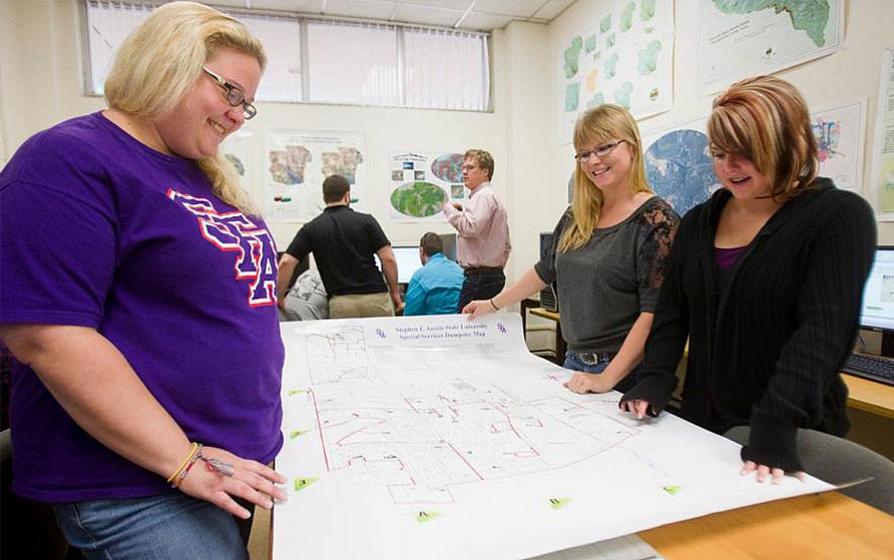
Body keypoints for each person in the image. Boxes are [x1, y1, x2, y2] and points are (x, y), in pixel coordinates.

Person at [0, 2, 287, 558]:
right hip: (138, 481)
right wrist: (181, 462)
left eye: (246, 104)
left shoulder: (198, 172)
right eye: (229, 92)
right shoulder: (69, 159)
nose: (236, 115)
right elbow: (48, 336)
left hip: (222, 464)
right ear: (167, 62)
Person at [619, 76, 876, 483]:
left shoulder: (838, 217)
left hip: (787, 437)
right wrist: (653, 380)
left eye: (745, 153)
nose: (728, 167)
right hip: (705, 427)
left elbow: (823, 332)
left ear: (788, 144)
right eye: (719, 154)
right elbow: (672, 313)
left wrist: (777, 419)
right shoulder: (700, 221)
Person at [465, 105, 679, 394]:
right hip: (573, 362)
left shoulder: (656, 221)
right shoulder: (577, 215)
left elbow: (652, 312)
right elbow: (544, 270)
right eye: (584, 154)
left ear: (631, 147)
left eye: (604, 148)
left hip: (625, 373)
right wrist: (492, 304)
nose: (594, 161)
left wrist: (606, 379)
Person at [277, 174, 402, 319]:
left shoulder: (312, 228)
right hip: (376, 299)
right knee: (384, 342)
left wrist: (279, 297)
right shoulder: (367, 221)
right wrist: (395, 293)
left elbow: (286, 262)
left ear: (324, 198)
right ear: (347, 195)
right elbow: (388, 259)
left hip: (342, 303)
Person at [442, 149, 511, 312]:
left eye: (471, 167)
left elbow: (471, 228)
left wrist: (448, 209)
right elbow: (506, 246)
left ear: (486, 171)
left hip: (479, 277)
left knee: (466, 331)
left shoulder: (483, 197)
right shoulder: (490, 197)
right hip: (491, 275)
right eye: (463, 168)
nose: (464, 172)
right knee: (483, 330)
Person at [404, 232, 465, 316]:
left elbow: (410, 315)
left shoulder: (419, 277)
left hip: (431, 327)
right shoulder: (461, 272)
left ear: (421, 251)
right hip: (460, 326)